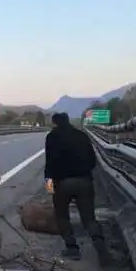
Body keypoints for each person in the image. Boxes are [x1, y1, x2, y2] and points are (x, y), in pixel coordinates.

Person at [44, 112, 107, 261]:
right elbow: (92, 160)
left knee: (61, 216)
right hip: (84, 181)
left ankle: (72, 248)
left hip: (62, 184)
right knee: (89, 218)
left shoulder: (52, 137)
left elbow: (49, 164)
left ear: (55, 123)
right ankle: (99, 242)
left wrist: (49, 187)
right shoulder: (82, 136)